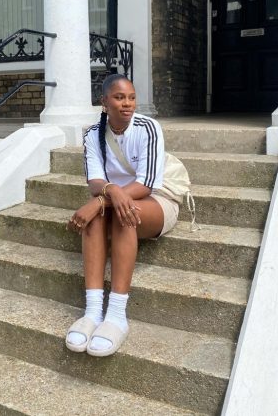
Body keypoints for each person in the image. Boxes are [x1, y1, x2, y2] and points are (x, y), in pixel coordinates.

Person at [65, 74, 179, 357]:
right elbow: (95, 180)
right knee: (101, 214)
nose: (127, 103)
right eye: (119, 98)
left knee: (123, 212)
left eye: (131, 97)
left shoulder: (148, 127)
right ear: (104, 102)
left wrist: (103, 200)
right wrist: (110, 192)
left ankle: (117, 315)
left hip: (157, 200)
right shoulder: (93, 134)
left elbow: (146, 184)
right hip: (114, 199)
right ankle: (93, 312)